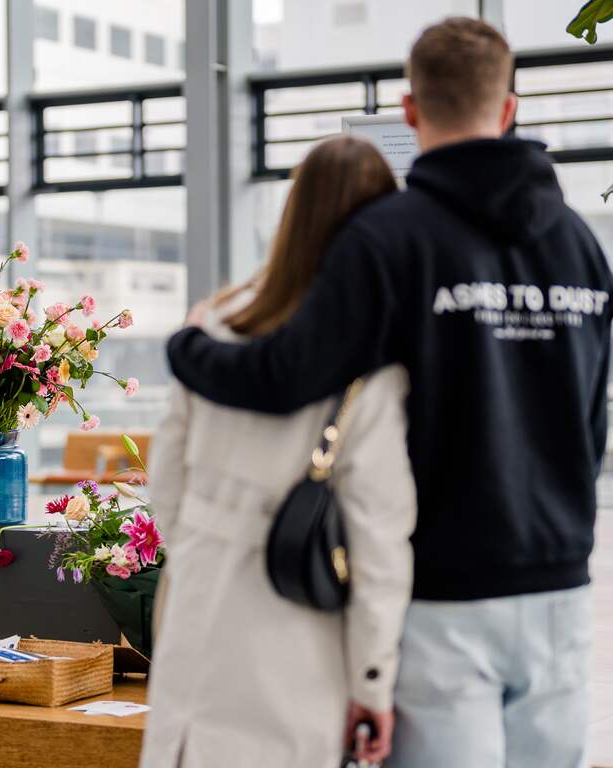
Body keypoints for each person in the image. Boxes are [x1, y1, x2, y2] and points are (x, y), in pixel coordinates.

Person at [165, 17, 612, 768]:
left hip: (445, 597)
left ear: (410, 109)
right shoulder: (579, 244)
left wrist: (188, 349)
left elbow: (289, 377)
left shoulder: (389, 238)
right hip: (562, 586)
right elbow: (593, 415)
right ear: (508, 110)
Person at [140, 136, 416, 768]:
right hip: (298, 626)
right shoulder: (370, 356)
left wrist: (204, 543)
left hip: (199, 599)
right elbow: (378, 537)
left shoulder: (214, 320)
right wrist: (373, 684)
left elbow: (167, 471)